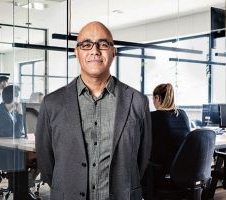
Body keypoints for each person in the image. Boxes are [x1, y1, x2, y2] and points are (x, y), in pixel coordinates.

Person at [35, 21, 151, 200]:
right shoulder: (52, 103)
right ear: (76, 52)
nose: (95, 50)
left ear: (114, 52)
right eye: (86, 44)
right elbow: (46, 163)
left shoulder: (138, 102)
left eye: (103, 44)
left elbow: (141, 160)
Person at [142, 83, 190, 198]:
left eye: (153, 99)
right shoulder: (183, 114)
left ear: (157, 98)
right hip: (182, 173)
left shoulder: (152, 117)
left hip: (159, 174)